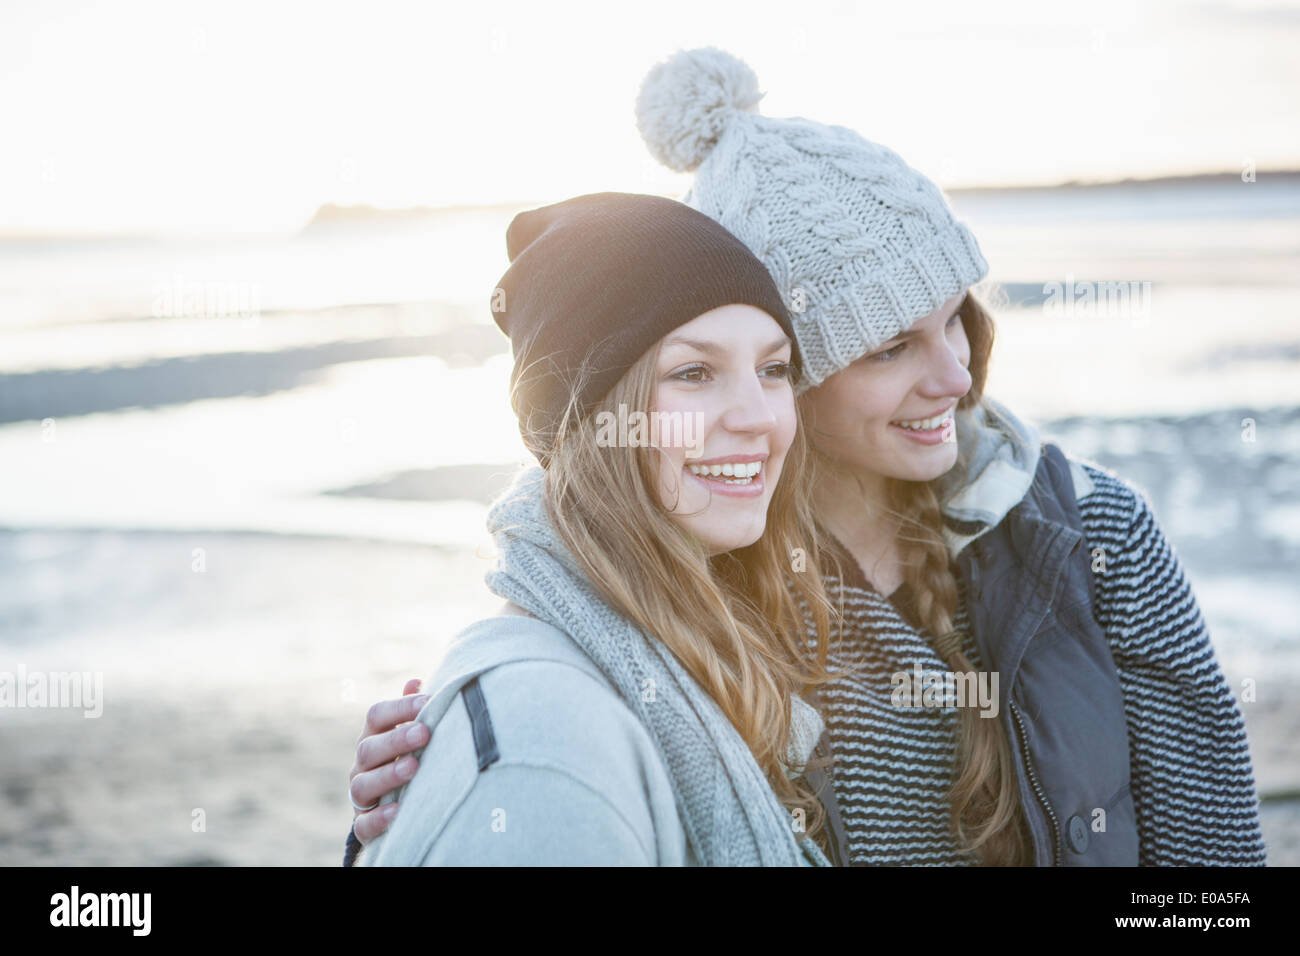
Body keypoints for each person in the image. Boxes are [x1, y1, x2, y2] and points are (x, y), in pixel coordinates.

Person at [350, 49, 1267, 866]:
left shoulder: (1087, 534)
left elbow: (1214, 868)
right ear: (801, 378)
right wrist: (430, 788)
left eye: (957, 318)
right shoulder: (687, 591)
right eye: (890, 347)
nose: (957, 375)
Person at [350, 191, 846, 866]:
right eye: (694, 372)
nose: (759, 416)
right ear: (593, 419)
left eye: (774, 369)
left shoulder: (722, 637)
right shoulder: (544, 741)